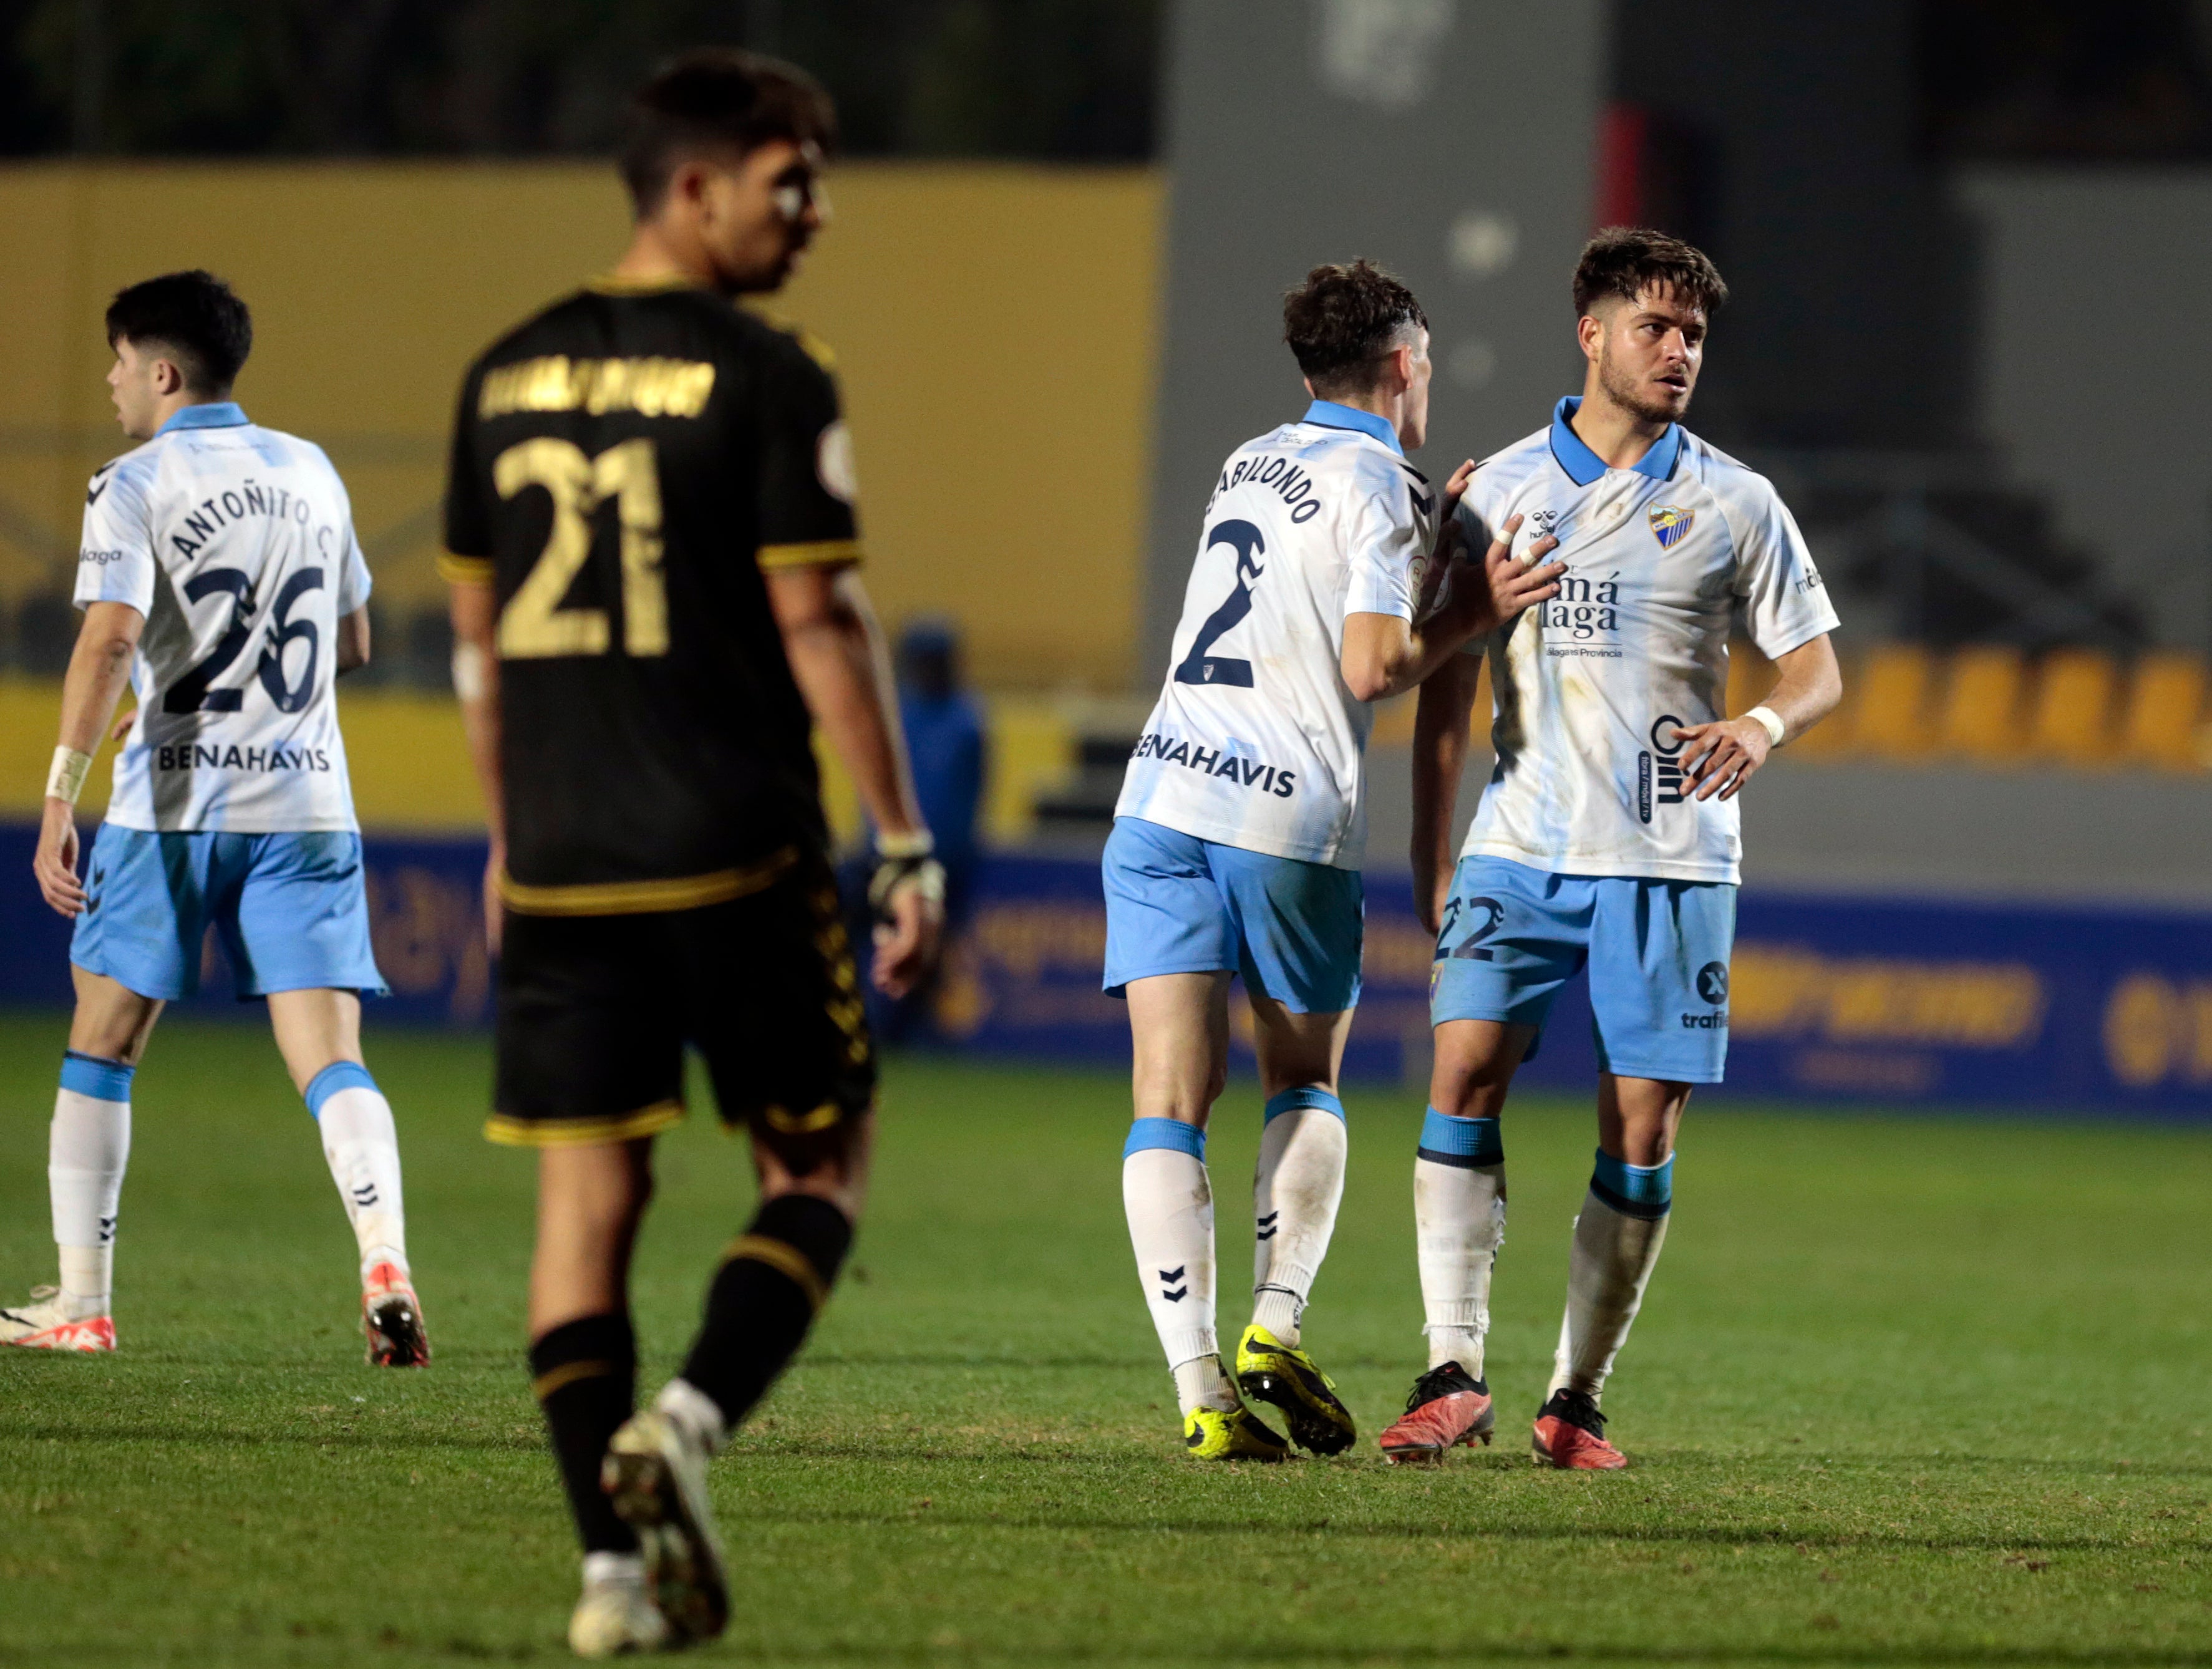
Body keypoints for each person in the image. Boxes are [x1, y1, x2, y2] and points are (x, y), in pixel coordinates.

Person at [440, 50, 941, 1657]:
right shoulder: (769, 372)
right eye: (791, 181)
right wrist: (907, 840)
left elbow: (476, 653)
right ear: (695, 186)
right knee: (822, 1166)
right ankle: (692, 1422)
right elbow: (819, 615)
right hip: (734, 847)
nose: (816, 215)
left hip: (565, 869)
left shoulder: (499, 371)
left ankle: (606, 1578)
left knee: (584, 1216)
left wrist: (515, 853)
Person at [1375, 228, 1843, 1468]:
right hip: (1517, 845)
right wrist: (1433, 856)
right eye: (1656, 326)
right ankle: (1452, 1367)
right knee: (1461, 1075)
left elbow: (1816, 667)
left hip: (1674, 859)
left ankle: (1574, 1397)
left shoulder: (1738, 501)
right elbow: (1439, 690)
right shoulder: (1495, 492)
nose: (1680, 349)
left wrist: (1760, 718)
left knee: (1639, 1131)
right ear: (1593, 333)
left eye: (1694, 333)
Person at [1104, 260, 1563, 1461]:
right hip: (1283, 818)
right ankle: (1274, 1321)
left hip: (1158, 798)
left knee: (1167, 1099)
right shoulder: (1382, 482)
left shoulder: (1249, 460)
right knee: (1301, 1079)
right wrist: (1469, 603)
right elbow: (1368, 667)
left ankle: (1202, 1394)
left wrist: (1421, 549)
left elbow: (1300, 603)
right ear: (1407, 365)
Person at [5, 269, 427, 1368]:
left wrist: (59, 787)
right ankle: (384, 1254)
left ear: (162, 370)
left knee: (105, 1040)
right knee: (330, 1055)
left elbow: (106, 641)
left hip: (170, 808)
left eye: (117, 359)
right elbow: (355, 643)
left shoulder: (135, 480)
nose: (107, 381)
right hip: (306, 807)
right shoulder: (314, 471)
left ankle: (83, 1306)